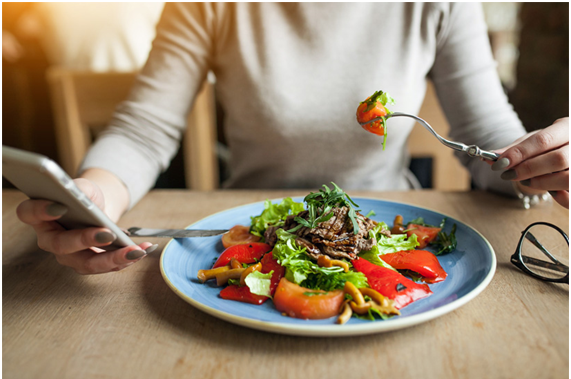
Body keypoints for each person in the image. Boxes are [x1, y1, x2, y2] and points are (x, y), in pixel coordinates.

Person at [15, 3, 569, 275]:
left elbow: (485, 137)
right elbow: (143, 129)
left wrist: (539, 163)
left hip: (387, 242)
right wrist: (95, 201)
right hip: (247, 245)